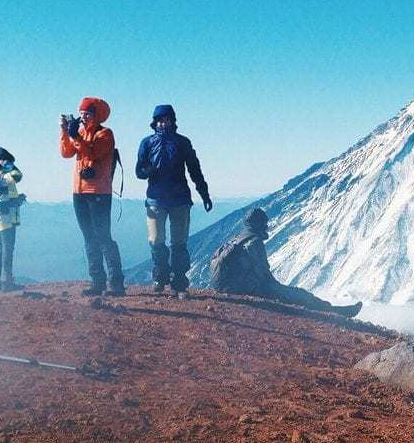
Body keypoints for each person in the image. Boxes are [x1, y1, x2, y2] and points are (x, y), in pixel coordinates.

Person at [211, 207, 362, 316]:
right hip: (243, 289)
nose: (266, 226)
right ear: (258, 223)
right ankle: (335, 312)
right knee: (299, 295)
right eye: (264, 223)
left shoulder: (237, 238)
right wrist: (281, 291)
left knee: (291, 293)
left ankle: (334, 310)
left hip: (226, 287)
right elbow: (265, 276)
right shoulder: (254, 242)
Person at [135, 103, 210, 295]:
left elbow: (194, 169)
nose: (163, 123)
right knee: (156, 240)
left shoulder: (182, 142)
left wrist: (204, 193)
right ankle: (160, 278)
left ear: (172, 120)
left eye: (166, 119)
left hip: (179, 200)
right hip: (156, 200)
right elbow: (139, 171)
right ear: (154, 122)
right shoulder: (147, 143)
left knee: (179, 243)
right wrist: (147, 171)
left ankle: (179, 284)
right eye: (160, 120)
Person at [60, 98, 126, 297]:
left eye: (87, 114)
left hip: (99, 193)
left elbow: (92, 152)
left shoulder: (105, 134)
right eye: (81, 114)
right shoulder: (79, 132)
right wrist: (65, 131)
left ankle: (116, 282)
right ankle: (97, 281)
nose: (83, 117)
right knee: (89, 238)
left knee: (103, 237)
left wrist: (75, 136)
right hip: (79, 192)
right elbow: (66, 152)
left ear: (97, 115)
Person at [0, 147, 24, 291]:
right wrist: (7, 163)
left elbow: (2, 197)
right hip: (6, 217)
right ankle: (6, 283)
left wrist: (17, 200)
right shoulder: (1, 176)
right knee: (8, 249)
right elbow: (18, 175)